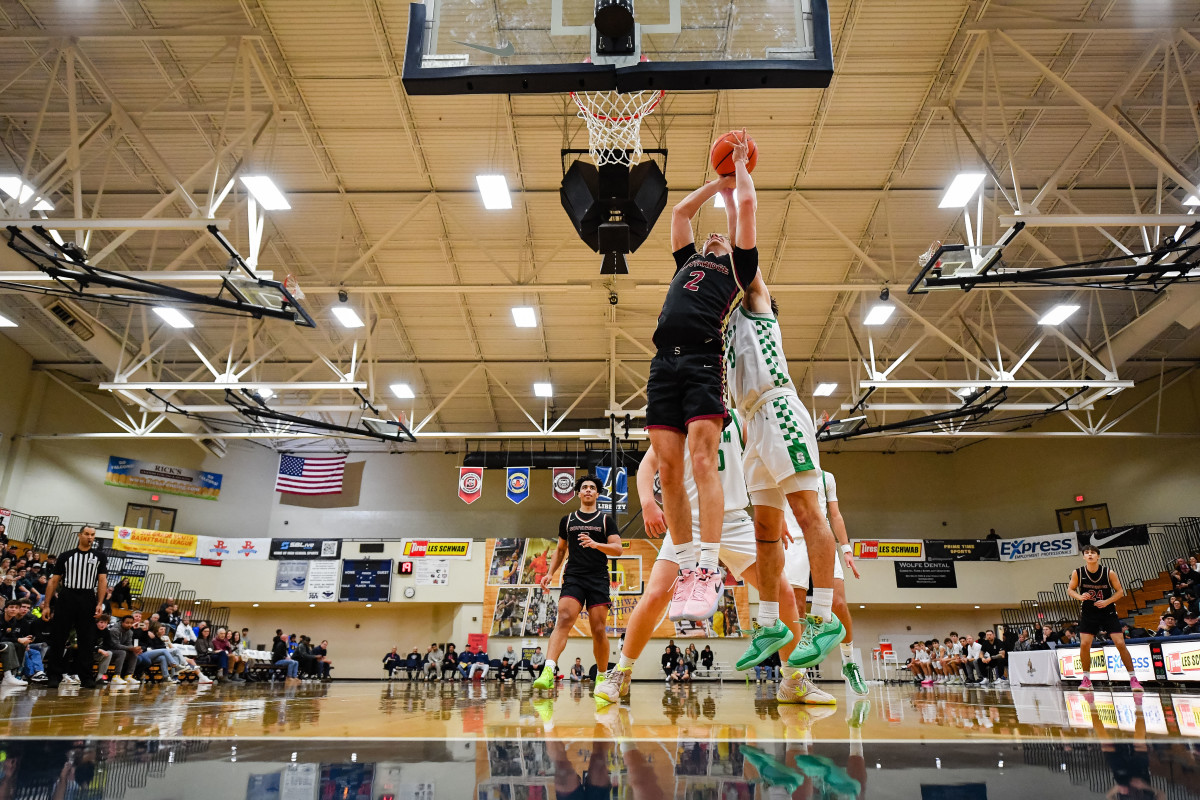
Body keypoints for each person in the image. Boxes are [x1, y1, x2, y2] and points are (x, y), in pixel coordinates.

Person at [597, 426, 826, 706]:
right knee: (656, 595)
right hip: (687, 521)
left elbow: (764, 461)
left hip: (734, 520)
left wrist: (774, 516)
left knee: (783, 593)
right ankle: (621, 672)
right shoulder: (681, 414)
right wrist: (647, 502)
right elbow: (648, 464)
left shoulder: (738, 414)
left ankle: (793, 679)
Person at [648, 132, 762, 624]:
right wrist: (714, 184)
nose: (715, 235)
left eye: (722, 236)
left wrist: (737, 177)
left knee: (701, 459)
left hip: (702, 360)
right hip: (662, 364)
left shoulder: (739, 266)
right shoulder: (687, 261)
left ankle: (710, 568)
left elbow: (746, 209)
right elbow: (678, 214)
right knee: (668, 471)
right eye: (711, 236)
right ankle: (689, 566)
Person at [726, 243, 844, 678]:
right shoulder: (724, 331)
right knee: (765, 531)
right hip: (751, 424)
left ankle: (822, 618)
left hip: (779, 411)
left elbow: (746, 261)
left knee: (807, 513)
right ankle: (770, 624)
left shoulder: (757, 303)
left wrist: (734, 183)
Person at [781, 468, 867, 696]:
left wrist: (846, 548)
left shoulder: (827, 477)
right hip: (793, 541)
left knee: (838, 602)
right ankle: (799, 675)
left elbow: (835, 514)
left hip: (821, 538)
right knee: (796, 606)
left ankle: (849, 663)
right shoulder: (780, 469)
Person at [533, 475, 622, 690]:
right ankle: (548, 670)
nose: (589, 490)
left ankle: (601, 675)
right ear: (579, 493)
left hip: (598, 577)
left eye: (592, 487)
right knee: (563, 618)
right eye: (585, 487)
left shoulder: (605, 520)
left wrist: (595, 544)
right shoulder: (568, 520)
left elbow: (617, 549)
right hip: (574, 576)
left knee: (599, 629)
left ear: (597, 494)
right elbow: (561, 550)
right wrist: (550, 573)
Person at [1068, 544, 1141, 691]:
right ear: (1083, 556)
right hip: (1089, 614)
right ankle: (1086, 679)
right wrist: (1080, 596)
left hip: (1108, 613)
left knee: (1120, 643)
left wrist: (1107, 601)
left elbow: (1120, 591)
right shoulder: (1078, 573)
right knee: (1084, 645)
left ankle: (1133, 679)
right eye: (1087, 553)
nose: (1090, 555)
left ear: (1098, 556)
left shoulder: (1109, 573)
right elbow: (1070, 589)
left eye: (1093, 553)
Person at [41, 526, 107, 688]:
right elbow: (54, 581)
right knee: (59, 636)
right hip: (67, 595)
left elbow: (102, 581)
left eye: (92, 535)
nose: (90, 537)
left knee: (87, 639)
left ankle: (85, 677)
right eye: (86, 534)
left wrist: (99, 603)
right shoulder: (66, 556)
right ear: (79, 535)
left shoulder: (100, 556)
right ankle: (54, 675)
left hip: (87, 597)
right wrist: (47, 605)